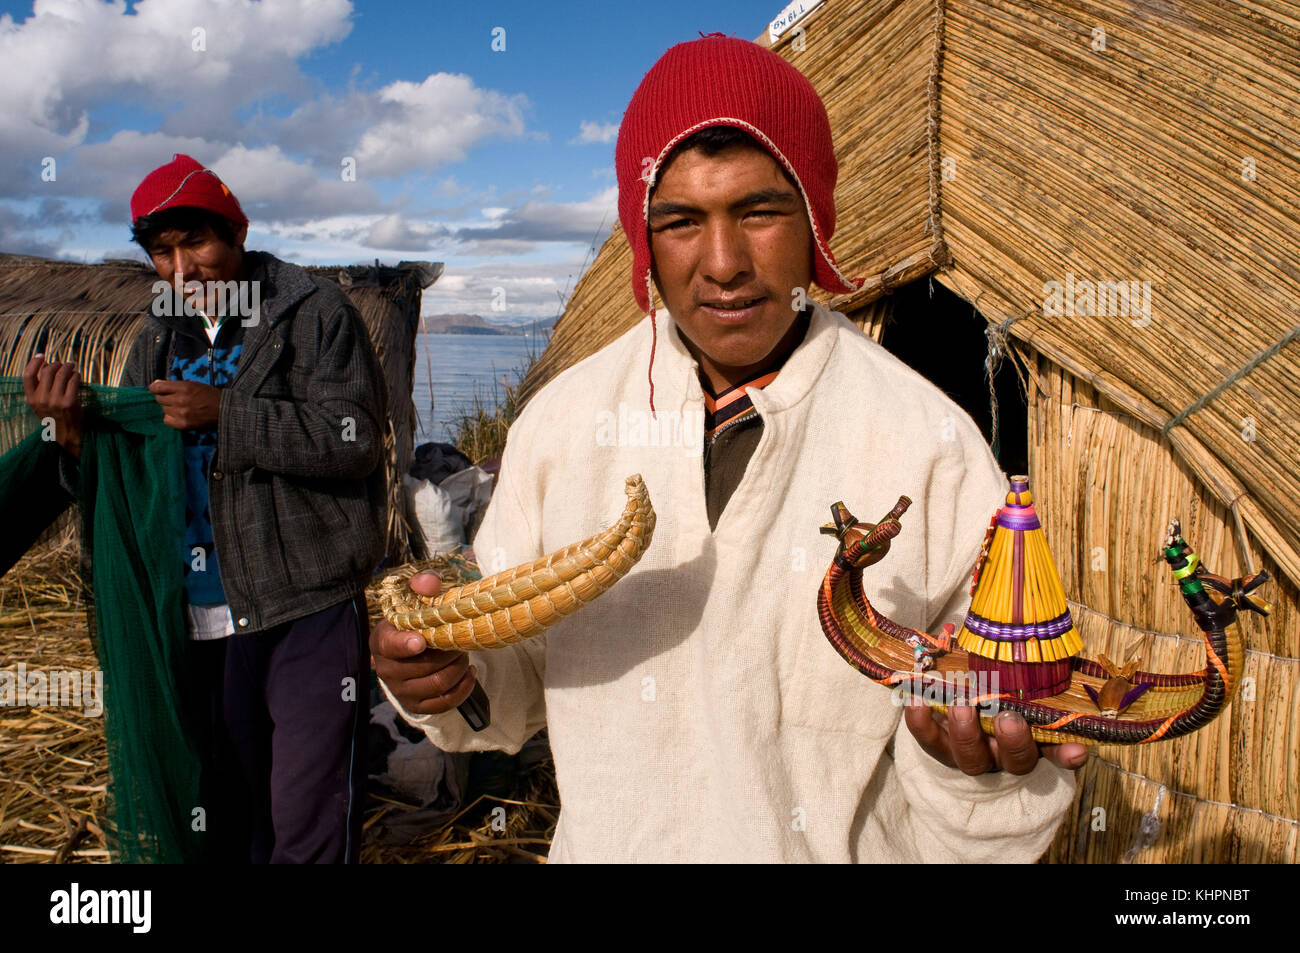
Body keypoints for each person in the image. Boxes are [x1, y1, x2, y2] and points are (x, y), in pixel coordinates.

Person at [371, 35, 1084, 862]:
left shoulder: (929, 445)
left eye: (758, 211)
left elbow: (994, 743)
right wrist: (447, 679)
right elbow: (509, 695)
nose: (724, 264)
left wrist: (977, 774)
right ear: (643, 237)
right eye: (680, 221)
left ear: (815, 217)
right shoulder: (563, 424)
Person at [23, 154, 388, 863]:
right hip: (196, 617)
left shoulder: (310, 313)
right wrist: (71, 438)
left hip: (303, 605)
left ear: (237, 231)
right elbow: (132, 472)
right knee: (229, 817)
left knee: (307, 817)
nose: (183, 268)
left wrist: (229, 413)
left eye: (198, 242)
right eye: (163, 252)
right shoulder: (159, 335)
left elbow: (357, 440)